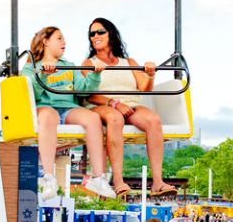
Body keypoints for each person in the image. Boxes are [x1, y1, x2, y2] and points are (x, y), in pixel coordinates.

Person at [82, 18, 175, 197]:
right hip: (101, 104)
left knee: (153, 120)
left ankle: (158, 182)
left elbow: (144, 88)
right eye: (91, 34)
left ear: (111, 34)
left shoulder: (129, 62)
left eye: (100, 32)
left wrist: (150, 75)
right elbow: (87, 92)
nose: (95, 36)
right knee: (115, 118)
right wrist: (115, 103)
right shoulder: (88, 63)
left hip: (130, 104)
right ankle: (118, 181)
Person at [21, 26, 117, 199]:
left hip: (68, 108)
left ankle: (98, 176)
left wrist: (95, 75)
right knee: (50, 115)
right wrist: (43, 75)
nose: (64, 42)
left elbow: (82, 90)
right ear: (46, 42)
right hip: (45, 108)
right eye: (59, 38)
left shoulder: (69, 66)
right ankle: (48, 177)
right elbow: (32, 95)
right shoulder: (31, 68)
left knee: (93, 118)